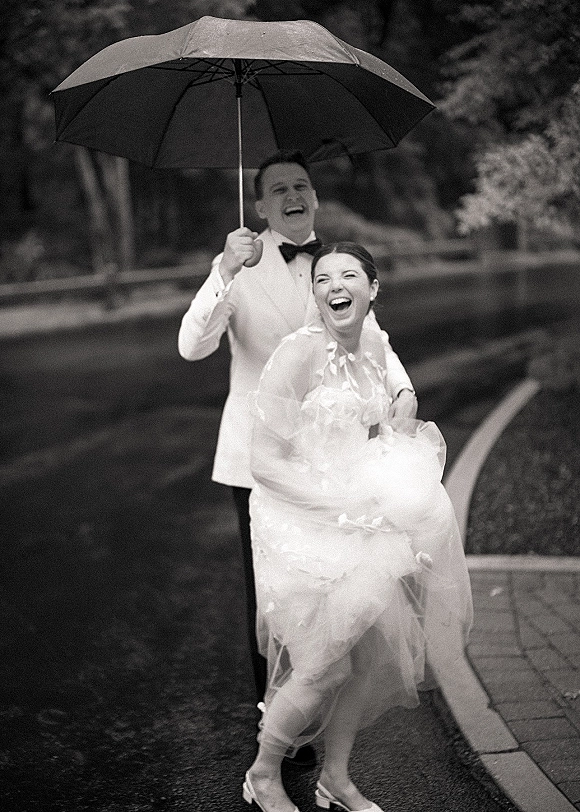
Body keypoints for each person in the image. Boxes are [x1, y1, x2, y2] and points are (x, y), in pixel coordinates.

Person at [178, 151, 417, 766]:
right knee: (273, 594)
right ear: (258, 206)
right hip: (256, 461)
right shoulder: (235, 266)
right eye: (278, 188)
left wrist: (401, 392)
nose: (293, 195)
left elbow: (374, 342)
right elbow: (192, 346)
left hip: (335, 462)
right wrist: (224, 272)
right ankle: (275, 730)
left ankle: (320, 718)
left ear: (314, 196)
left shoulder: (336, 268)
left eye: (302, 185)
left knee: (333, 589)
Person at [242, 242, 473, 812]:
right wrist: (336, 503)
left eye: (349, 276)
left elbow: (400, 389)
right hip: (298, 515)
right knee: (325, 665)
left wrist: (403, 403)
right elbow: (264, 463)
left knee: (367, 660)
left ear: (373, 290)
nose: (333, 285)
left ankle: (335, 779)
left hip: (359, 513)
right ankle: (263, 773)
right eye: (322, 279)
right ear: (316, 294)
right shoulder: (297, 355)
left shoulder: (375, 343)